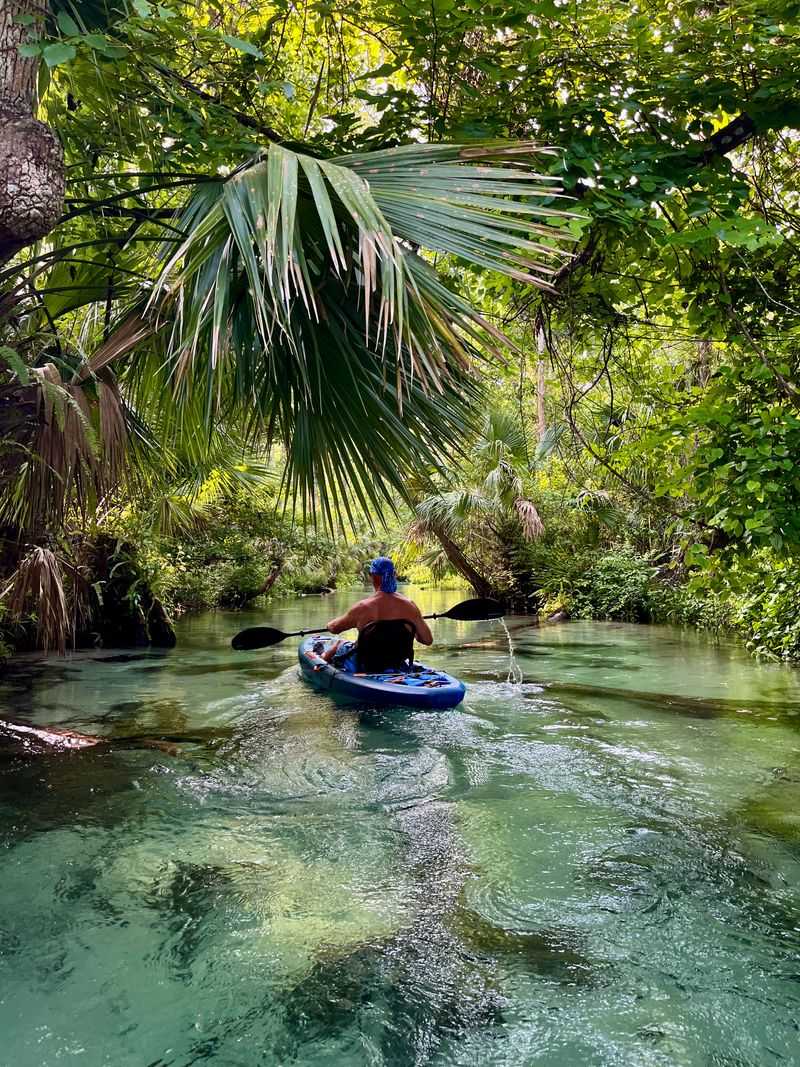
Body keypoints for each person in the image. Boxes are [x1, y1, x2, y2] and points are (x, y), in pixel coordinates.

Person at [321, 557, 433, 669]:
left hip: (365, 664)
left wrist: (329, 625)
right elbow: (427, 640)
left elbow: (335, 628)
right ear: (394, 574)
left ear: (372, 576)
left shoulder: (363, 607)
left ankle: (319, 665)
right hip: (396, 661)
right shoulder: (410, 606)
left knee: (339, 644)